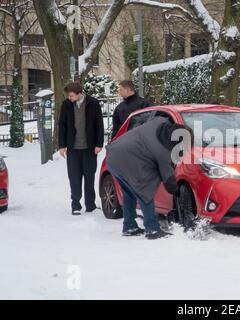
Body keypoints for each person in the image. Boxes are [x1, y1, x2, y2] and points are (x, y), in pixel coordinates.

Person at [106, 116, 189, 240]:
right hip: (127, 159)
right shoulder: (163, 151)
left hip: (112, 156)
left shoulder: (160, 122)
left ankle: (129, 226)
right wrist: (176, 191)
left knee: (129, 193)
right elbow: (168, 178)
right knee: (145, 191)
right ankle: (152, 229)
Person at [58, 82, 104, 215]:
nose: (69, 98)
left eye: (71, 95)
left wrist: (99, 144)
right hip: (73, 149)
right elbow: (62, 125)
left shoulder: (93, 103)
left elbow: (99, 124)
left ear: (79, 93)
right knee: (74, 177)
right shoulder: (66, 105)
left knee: (89, 177)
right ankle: (76, 205)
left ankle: (90, 205)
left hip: (89, 148)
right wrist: (62, 145)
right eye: (68, 96)